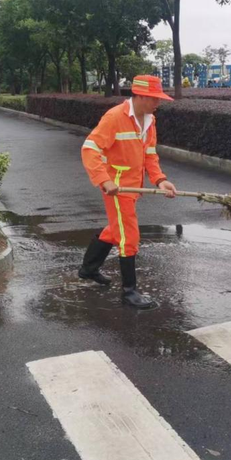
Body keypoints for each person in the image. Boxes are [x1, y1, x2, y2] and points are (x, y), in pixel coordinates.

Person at [79, 75, 178, 309]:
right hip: (116, 188)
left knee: (117, 230)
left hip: (133, 186)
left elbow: (150, 155)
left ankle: (88, 269)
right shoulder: (115, 117)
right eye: (154, 99)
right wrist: (104, 180)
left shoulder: (150, 120)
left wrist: (160, 180)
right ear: (140, 96)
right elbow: (89, 149)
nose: (158, 103)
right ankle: (129, 292)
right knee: (128, 236)